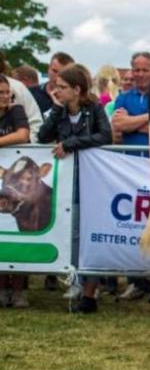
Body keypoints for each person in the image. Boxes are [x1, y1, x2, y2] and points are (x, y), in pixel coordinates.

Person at [37, 63, 112, 313]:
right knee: (71, 233)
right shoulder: (57, 111)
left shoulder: (95, 109)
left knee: (89, 232)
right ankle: (74, 281)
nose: (56, 91)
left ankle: (90, 293)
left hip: (92, 181)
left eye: (62, 87)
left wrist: (72, 143)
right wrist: (57, 110)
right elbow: (42, 136)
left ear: (77, 89)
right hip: (66, 182)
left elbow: (105, 136)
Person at [112, 52, 150, 302]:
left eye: (145, 69)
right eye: (137, 70)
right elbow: (118, 125)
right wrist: (148, 120)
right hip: (130, 169)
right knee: (134, 224)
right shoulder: (124, 96)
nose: (140, 74)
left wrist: (135, 122)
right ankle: (136, 280)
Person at [0, 73, 32, 308]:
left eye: (6, 93)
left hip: (18, 181)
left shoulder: (16, 110)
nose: (5, 97)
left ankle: (20, 290)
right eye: (0, 93)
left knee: (22, 230)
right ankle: (2, 289)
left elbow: (23, 135)